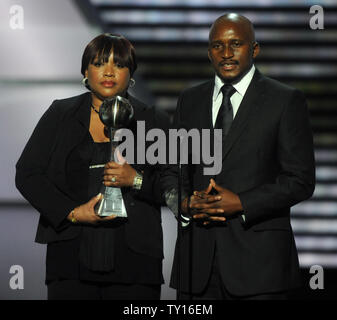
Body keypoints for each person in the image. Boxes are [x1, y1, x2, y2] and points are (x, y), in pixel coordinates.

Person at [162, 13, 315, 300]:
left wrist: (242, 203)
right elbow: (172, 169)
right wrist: (184, 200)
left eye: (236, 44)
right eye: (218, 46)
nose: (227, 53)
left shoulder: (285, 100)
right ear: (209, 53)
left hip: (260, 268)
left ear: (254, 49)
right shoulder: (189, 100)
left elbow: (301, 180)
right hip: (196, 266)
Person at [15, 33, 168, 300]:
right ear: (86, 70)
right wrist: (72, 213)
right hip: (70, 257)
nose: (109, 72)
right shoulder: (61, 113)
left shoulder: (152, 120)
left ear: (130, 73)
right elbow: (28, 174)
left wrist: (136, 180)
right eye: (99, 63)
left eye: (119, 65)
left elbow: (174, 183)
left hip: (136, 264)